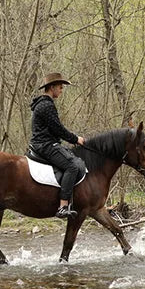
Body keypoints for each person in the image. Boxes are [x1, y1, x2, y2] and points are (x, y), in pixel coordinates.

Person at [29, 73, 87, 219]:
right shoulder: (46, 105)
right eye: (60, 87)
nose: (61, 90)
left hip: (43, 143)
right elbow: (58, 129)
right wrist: (76, 139)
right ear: (52, 87)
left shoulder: (44, 104)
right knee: (72, 166)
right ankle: (63, 206)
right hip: (45, 145)